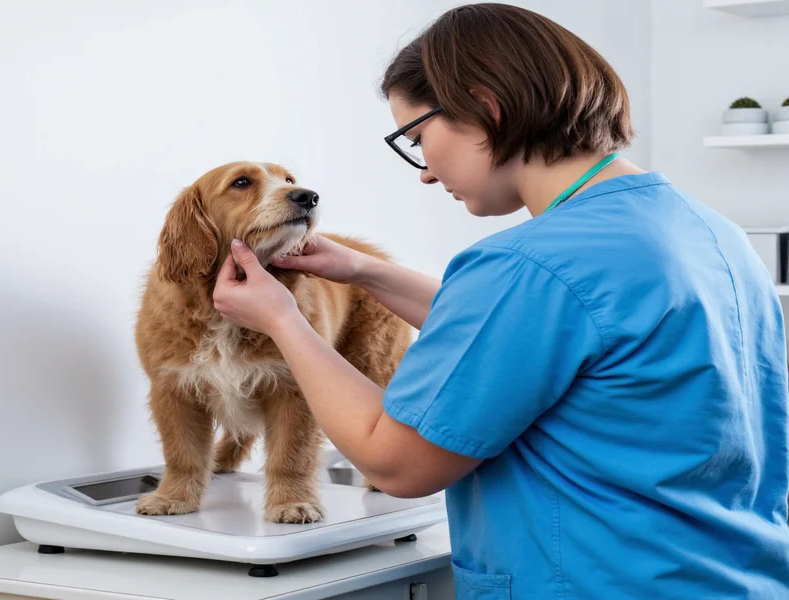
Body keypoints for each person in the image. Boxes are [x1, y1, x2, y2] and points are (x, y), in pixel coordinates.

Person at [212, 4, 789, 598]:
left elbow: (395, 463)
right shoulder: (709, 231)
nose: (426, 173)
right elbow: (540, 339)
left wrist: (283, 320)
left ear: (486, 107)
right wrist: (361, 271)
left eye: (418, 138)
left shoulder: (530, 265)